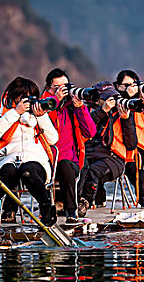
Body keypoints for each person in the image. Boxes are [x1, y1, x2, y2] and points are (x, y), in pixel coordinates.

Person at [0, 77, 59, 227]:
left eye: (31, 97)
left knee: (27, 170)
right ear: (13, 96)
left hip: (36, 162)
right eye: (22, 97)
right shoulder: (2, 112)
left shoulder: (39, 114)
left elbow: (53, 139)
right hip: (9, 159)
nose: (27, 101)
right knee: (6, 173)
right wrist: (15, 113)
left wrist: (41, 116)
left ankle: (47, 209)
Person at [41, 68, 97, 222]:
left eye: (65, 86)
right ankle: (57, 208)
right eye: (57, 87)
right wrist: (56, 100)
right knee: (63, 165)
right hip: (47, 160)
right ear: (49, 89)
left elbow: (90, 132)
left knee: (66, 165)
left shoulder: (72, 107)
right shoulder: (42, 105)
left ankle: (71, 212)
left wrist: (80, 107)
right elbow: (45, 123)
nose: (63, 90)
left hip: (71, 160)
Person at [77, 81, 137, 217]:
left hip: (113, 159)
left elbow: (131, 144)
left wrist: (126, 119)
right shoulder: (88, 111)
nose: (112, 102)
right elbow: (85, 127)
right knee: (79, 169)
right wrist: (102, 111)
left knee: (93, 171)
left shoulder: (122, 113)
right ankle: (70, 204)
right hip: (89, 156)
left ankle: (84, 202)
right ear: (98, 100)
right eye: (108, 99)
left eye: (114, 98)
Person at [114, 70, 144, 208]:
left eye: (134, 84)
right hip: (115, 146)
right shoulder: (113, 99)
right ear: (118, 86)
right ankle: (98, 199)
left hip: (137, 148)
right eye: (127, 84)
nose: (131, 87)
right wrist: (126, 96)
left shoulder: (141, 102)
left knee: (136, 169)